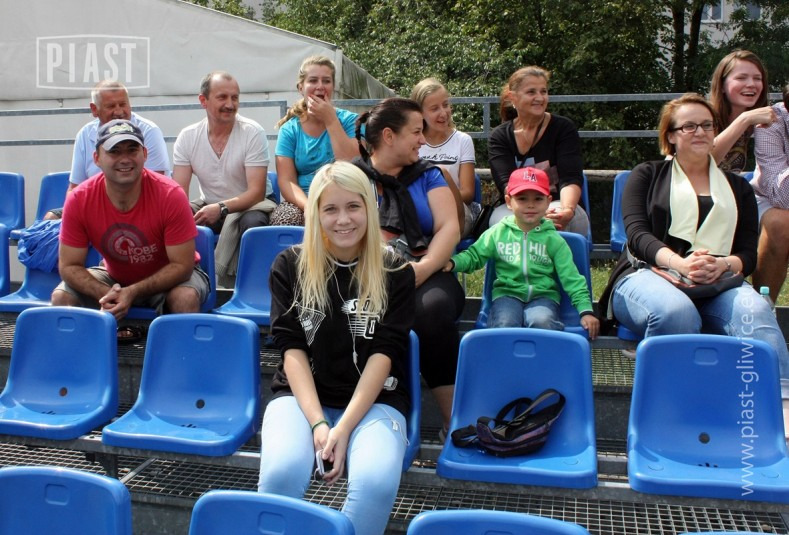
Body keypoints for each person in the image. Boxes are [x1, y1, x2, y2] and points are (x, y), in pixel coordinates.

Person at [598, 93, 789, 428]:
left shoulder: (738, 188)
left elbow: (747, 253)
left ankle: (779, 412)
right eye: (689, 126)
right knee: (676, 312)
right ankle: (670, 416)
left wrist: (723, 265)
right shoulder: (646, 175)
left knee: (756, 312)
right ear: (671, 135)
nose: (700, 132)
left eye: (707, 125)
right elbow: (638, 237)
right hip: (647, 274)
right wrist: (680, 264)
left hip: (718, 281)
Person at [258, 161, 415, 535]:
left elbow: (384, 354)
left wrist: (341, 429)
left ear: (370, 207)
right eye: (330, 208)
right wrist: (318, 423)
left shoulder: (396, 271)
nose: (343, 219)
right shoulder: (289, 265)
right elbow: (292, 349)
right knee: (281, 473)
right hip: (302, 398)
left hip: (376, 400)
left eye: (353, 206)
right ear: (315, 213)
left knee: (375, 483)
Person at [351, 97, 464, 440]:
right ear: (389, 136)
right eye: (416, 132)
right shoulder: (351, 177)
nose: (423, 139)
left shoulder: (429, 175)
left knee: (433, 310)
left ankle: (452, 419)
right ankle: (360, 413)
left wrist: (423, 268)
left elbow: (449, 228)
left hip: (425, 270)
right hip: (363, 272)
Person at [51, 119, 209, 322]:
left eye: (132, 150)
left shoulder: (171, 195)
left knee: (185, 297)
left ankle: (180, 345)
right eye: (114, 152)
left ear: (145, 154)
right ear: (97, 158)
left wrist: (132, 292)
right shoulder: (79, 199)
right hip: (114, 277)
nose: (125, 159)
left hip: (172, 278)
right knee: (61, 297)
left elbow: (182, 266)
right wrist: (106, 293)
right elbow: (69, 266)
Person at [446, 167, 599, 339]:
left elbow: (571, 278)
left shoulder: (553, 240)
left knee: (542, 321)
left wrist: (586, 311)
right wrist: (452, 263)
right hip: (507, 294)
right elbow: (474, 256)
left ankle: (545, 355)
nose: (530, 205)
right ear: (509, 201)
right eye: (522, 198)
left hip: (543, 296)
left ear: (548, 201)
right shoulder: (497, 233)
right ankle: (505, 356)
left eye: (538, 199)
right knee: (505, 323)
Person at [172, 71, 275, 286]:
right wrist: (182, 215)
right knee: (173, 219)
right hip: (210, 203)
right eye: (222, 97)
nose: (230, 104)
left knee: (252, 224)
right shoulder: (188, 136)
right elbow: (178, 193)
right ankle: (189, 281)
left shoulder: (252, 132)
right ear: (203, 100)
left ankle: (252, 287)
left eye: (234, 97)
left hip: (253, 205)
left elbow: (256, 193)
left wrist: (221, 208)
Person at [44, 79, 170, 220]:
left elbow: (156, 186)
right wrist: (72, 215)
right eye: (111, 106)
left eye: (123, 104)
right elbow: (75, 188)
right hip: (94, 205)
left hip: (140, 206)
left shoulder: (149, 131)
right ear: (94, 109)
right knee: (51, 219)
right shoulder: (85, 134)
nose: (119, 112)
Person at [488, 66, 590, 236]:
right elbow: (505, 184)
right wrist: (530, 212)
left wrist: (567, 210)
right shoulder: (500, 136)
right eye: (531, 92)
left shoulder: (563, 128)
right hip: (517, 205)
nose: (540, 98)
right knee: (500, 222)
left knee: (557, 221)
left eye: (543, 91)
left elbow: (570, 178)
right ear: (513, 97)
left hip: (557, 202)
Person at [269, 55, 360, 226]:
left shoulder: (349, 121)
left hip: (345, 196)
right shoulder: (290, 130)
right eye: (313, 80)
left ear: (333, 87)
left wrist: (330, 120)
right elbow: (287, 181)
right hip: (303, 200)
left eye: (326, 81)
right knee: (284, 218)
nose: (320, 86)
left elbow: (351, 164)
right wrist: (309, 206)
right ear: (301, 87)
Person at [410, 78, 478, 237]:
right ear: (420, 113)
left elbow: (468, 194)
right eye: (434, 108)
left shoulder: (463, 140)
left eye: (446, 105)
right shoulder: (412, 141)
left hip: (456, 210)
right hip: (420, 210)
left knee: (441, 172)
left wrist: (437, 198)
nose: (443, 113)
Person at [751, 83, 789, 302]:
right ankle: (764, 308)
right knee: (779, 223)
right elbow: (781, 196)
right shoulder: (772, 121)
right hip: (770, 200)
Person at [709, 50, 776, 173]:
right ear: (722, 85)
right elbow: (698, 164)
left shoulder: (757, 121)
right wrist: (744, 120)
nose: (751, 84)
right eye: (741, 78)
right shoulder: (701, 118)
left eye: (757, 78)